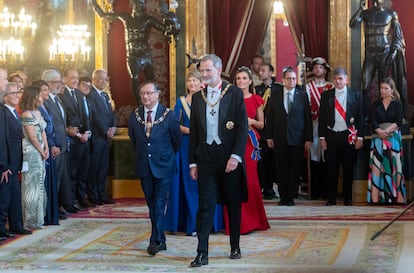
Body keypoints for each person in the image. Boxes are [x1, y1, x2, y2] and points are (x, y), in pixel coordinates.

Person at [189, 54, 248, 267]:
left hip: (228, 156)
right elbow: (194, 132)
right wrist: (193, 162)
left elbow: (242, 128)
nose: (204, 75)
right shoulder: (197, 97)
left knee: (232, 203)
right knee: (205, 205)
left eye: (208, 71)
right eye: (202, 71)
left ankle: (235, 246)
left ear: (219, 69)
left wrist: (236, 156)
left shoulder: (233, 93)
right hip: (205, 157)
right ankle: (202, 253)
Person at [165, 71, 224, 236]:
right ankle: (190, 224)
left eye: (195, 80)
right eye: (189, 80)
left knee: (206, 185)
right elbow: (175, 124)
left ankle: (210, 223)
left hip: (205, 145)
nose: (192, 83)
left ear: (201, 83)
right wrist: (192, 131)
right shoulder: (181, 102)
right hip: (185, 146)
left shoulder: (208, 99)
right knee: (188, 184)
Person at [91, 0, 180, 103]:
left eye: (141, 4)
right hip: (132, 54)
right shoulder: (126, 17)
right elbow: (103, 15)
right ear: (132, 4)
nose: (139, 6)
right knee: (134, 77)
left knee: (150, 79)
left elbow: (164, 29)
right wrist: (94, 2)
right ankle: (139, 104)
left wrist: (172, 21)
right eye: (137, 3)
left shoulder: (148, 19)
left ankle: (151, 102)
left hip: (145, 53)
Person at [128, 81, 181, 256]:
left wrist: (164, 156)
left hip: (164, 166)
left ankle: (155, 240)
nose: (146, 97)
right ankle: (161, 239)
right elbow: (134, 140)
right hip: (144, 166)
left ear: (158, 94)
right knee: (151, 204)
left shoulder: (169, 115)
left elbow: (176, 141)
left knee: (159, 203)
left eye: (150, 93)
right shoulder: (135, 116)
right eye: (143, 93)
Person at [225, 66, 269, 234]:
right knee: (233, 179)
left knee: (250, 180)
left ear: (250, 81)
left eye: (244, 78)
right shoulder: (230, 98)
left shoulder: (256, 99)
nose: (241, 81)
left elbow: (262, 124)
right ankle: (236, 221)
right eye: (238, 79)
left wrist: (250, 121)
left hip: (250, 142)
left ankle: (253, 220)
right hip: (233, 142)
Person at [349, 0, 407, 118]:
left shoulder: (391, 14)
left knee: (383, 84)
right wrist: (360, 9)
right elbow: (352, 24)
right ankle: (365, 114)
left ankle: (382, 114)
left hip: (384, 53)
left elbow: (398, 36)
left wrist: (394, 51)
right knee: (365, 82)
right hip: (370, 53)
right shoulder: (366, 13)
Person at [265, 67, 312, 206]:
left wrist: (308, 138)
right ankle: (283, 197)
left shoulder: (302, 95)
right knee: (281, 170)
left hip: (297, 139)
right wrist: (269, 137)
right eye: (289, 78)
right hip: (279, 138)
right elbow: (269, 118)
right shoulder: (275, 95)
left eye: (293, 78)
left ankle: (291, 197)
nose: (291, 81)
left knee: (294, 170)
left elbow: (307, 119)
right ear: (283, 80)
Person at [319, 67, 364, 206]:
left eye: (341, 79)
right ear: (333, 80)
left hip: (348, 136)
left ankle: (348, 198)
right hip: (331, 136)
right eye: (336, 79)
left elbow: (360, 118)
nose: (338, 81)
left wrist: (360, 138)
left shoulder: (356, 95)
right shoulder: (326, 95)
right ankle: (331, 199)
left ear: (346, 80)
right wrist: (322, 138)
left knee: (348, 169)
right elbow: (322, 119)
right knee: (331, 169)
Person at [0, 82, 33, 240]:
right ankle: (1, 229)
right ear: (5, 97)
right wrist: (4, 164)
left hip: (15, 160)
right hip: (7, 162)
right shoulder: (3, 113)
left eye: (18, 92)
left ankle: (16, 225)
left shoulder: (14, 112)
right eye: (13, 93)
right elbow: (2, 140)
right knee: (5, 196)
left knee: (15, 194)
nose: (17, 95)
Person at [368, 77, 406, 204]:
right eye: (381, 88)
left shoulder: (397, 103)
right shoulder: (375, 104)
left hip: (393, 138)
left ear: (392, 90)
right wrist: (380, 131)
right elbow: (372, 120)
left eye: (386, 88)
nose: (383, 91)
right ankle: (376, 197)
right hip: (378, 138)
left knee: (394, 166)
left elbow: (399, 120)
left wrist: (387, 131)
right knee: (378, 166)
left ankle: (396, 196)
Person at [42, 69, 73, 218]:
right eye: (56, 82)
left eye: (60, 82)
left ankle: (57, 206)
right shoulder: (45, 100)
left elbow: (61, 122)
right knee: (53, 179)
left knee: (60, 178)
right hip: (54, 146)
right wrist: (53, 144)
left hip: (63, 145)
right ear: (47, 83)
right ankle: (51, 209)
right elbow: (49, 126)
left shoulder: (58, 98)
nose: (59, 85)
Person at [20, 85, 49, 229]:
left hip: (41, 151)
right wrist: (40, 150)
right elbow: (31, 136)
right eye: (38, 95)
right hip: (31, 152)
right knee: (31, 186)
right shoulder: (26, 114)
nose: (41, 98)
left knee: (40, 184)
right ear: (32, 97)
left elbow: (43, 131)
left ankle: (39, 218)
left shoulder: (38, 112)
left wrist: (47, 148)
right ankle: (29, 219)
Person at [87, 69, 117, 205]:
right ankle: (93, 196)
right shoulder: (90, 95)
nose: (103, 82)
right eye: (100, 79)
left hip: (106, 138)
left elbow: (111, 114)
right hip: (97, 138)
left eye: (105, 79)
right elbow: (95, 116)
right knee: (94, 168)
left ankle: (102, 194)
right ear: (93, 79)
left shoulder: (105, 95)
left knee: (103, 168)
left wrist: (114, 127)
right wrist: (106, 130)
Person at [306, 57, 334, 199]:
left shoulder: (331, 86)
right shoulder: (307, 86)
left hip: (328, 126)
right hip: (312, 124)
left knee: (327, 155)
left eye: (321, 67)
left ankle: (327, 191)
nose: (318, 69)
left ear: (325, 70)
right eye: (316, 67)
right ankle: (315, 191)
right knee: (314, 156)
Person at [33, 80, 60, 225]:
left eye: (47, 90)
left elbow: (52, 127)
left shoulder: (46, 105)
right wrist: (49, 146)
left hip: (50, 147)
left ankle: (51, 214)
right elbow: (41, 131)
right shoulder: (36, 109)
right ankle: (44, 215)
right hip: (44, 149)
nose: (47, 93)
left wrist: (55, 145)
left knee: (51, 182)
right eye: (44, 90)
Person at [255, 63, 281, 200]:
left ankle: (274, 187)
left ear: (271, 72)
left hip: (276, 128)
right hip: (261, 129)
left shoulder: (278, 89)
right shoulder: (256, 89)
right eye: (260, 71)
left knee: (275, 162)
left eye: (264, 70)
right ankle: (264, 187)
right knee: (263, 161)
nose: (261, 73)